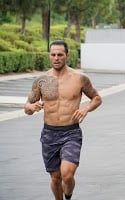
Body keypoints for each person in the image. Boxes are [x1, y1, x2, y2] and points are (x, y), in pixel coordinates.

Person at [24, 40, 102, 200]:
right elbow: (27, 106)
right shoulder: (42, 80)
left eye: (60, 54)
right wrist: (30, 108)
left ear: (67, 55)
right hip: (49, 134)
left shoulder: (80, 78)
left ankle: (68, 195)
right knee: (55, 178)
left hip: (71, 133)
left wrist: (85, 109)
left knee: (67, 175)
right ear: (49, 56)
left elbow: (96, 98)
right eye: (53, 55)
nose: (56, 58)